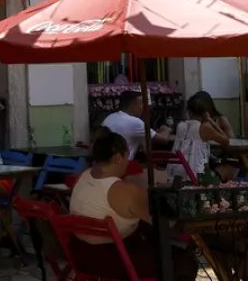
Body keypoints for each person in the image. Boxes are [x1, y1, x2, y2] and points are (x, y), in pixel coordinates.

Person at [68, 132, 197, 280]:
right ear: (117, 157)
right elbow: (164, 222)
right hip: (117, 261)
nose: (127, 162)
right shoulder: (125, 191)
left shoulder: (83, 177)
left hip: (81, 256)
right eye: (126, 156)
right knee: (185, 260)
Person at [172, 93, 230, 180]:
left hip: (178, 172)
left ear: (189, 111)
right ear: (205, 113)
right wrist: (211, 121)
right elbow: (226, 140)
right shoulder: (205, 127)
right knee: (228, 169)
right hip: (198, 175)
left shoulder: (181, 125)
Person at [100, 90, 170, 160]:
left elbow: (145, 148)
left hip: (105, 162)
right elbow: (164, 139)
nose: (143, 107)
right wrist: (166, 129)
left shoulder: (110, 117)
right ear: (133, 104)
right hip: (121, 165)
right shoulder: (135, 122)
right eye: (141, 103)